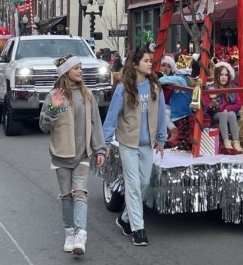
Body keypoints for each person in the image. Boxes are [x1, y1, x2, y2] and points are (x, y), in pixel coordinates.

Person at [39, 54, 106, 256]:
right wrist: (53, 108)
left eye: (80, 67)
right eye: (76, 68)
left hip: (82, 154)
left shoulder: (88, 95)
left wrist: (100, 149)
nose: (80, 71)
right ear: (65, 72)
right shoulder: (54, 96)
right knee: (66, 196)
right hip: (61, 154)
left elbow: (96, 124)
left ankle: (80, 234)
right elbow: (43, 126)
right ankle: (69, 233)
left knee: (80, 194)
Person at [102, 47, 167, 247]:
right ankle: (138, 229)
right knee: (132, 183)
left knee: (143, 182)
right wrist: (104, 143)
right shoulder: (124, 88)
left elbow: (162, 113)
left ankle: (124, 219)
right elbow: (112, 116)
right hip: (128, 142)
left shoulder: (155, 87)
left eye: (151, 61)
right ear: (136, 64)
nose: (150, 64)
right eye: (146, 60)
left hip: (147, 144)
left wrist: (161, 139)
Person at [203, 62, 243, 152]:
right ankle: (226, 141)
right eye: (221, 75)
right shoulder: (210, 88)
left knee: (232, 114)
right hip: (215, 114)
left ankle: (236, 141)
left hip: (228, 113)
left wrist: (227, 109)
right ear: (217, 76)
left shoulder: (232, 88)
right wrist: (211, 105)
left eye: (226, 75)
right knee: (223, 115)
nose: (224, 77)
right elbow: (206, 105)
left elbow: (238, 104)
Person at [158, 55, 194, 149]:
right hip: (178, 109)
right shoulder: (184, 79)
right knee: (160, 108)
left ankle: (173, 130)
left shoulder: (180, 79)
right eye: (163, 65)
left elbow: (163, 80)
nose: (165, 68)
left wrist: (158, 77)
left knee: (158, 111)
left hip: (180, 112)